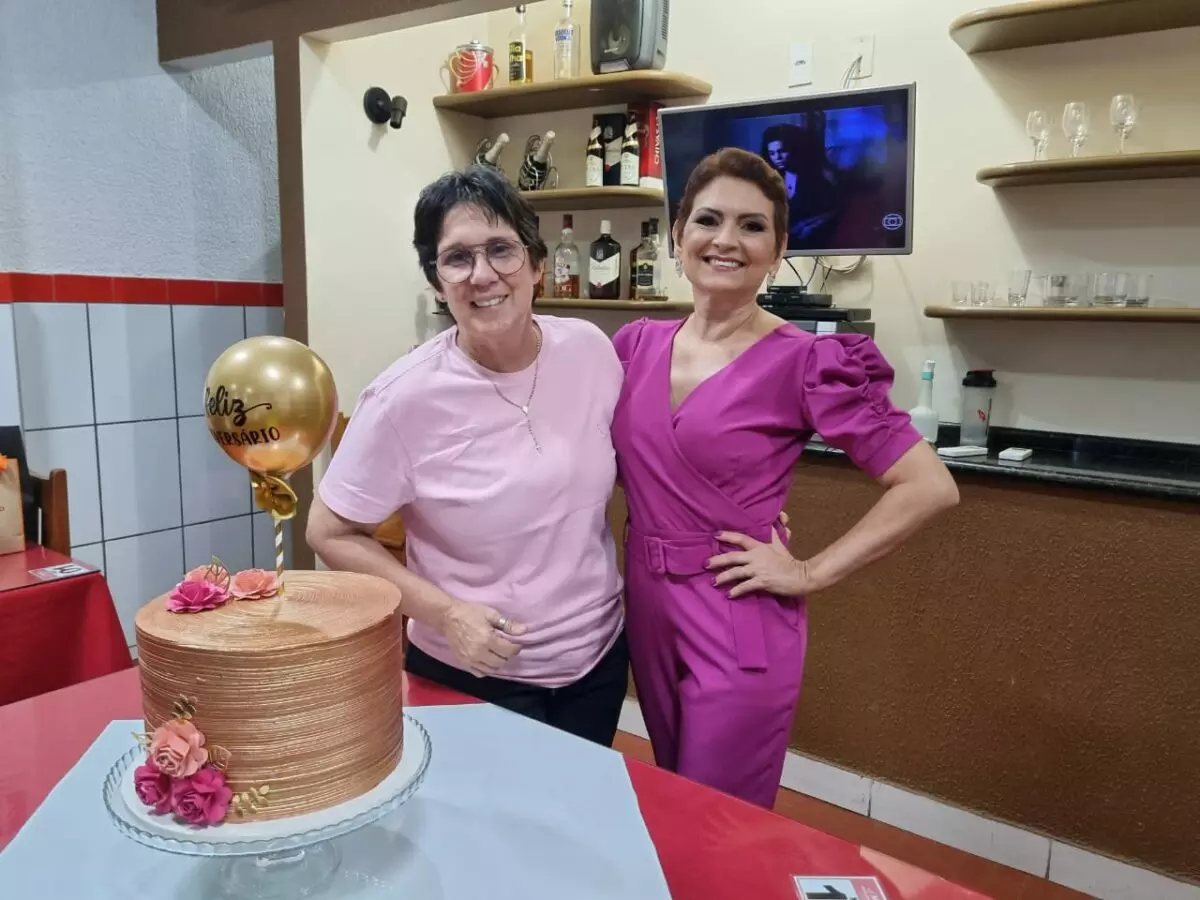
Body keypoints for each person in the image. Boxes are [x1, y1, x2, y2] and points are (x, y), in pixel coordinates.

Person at [611, 147, 959, 807]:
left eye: (752, 226)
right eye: (708, 219)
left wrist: (807, 573)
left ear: (777, 251)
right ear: (678, 234)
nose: (726, 240)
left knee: (718, 819)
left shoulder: (807, 361)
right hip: (648, 607)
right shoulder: (635, 345)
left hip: (736, 608)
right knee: (676, 805)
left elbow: (928, 485)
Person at [308, 164, 629, 746]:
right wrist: (445, 613)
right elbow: (329, 532)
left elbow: (636, 464)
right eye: (457, 258)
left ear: (537, 265)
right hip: (471, 675)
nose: (483, 275)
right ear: (437, 282)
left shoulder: (589, 352)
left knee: (579, 805)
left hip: (597, 661)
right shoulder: (401, 399)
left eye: (502, 249)